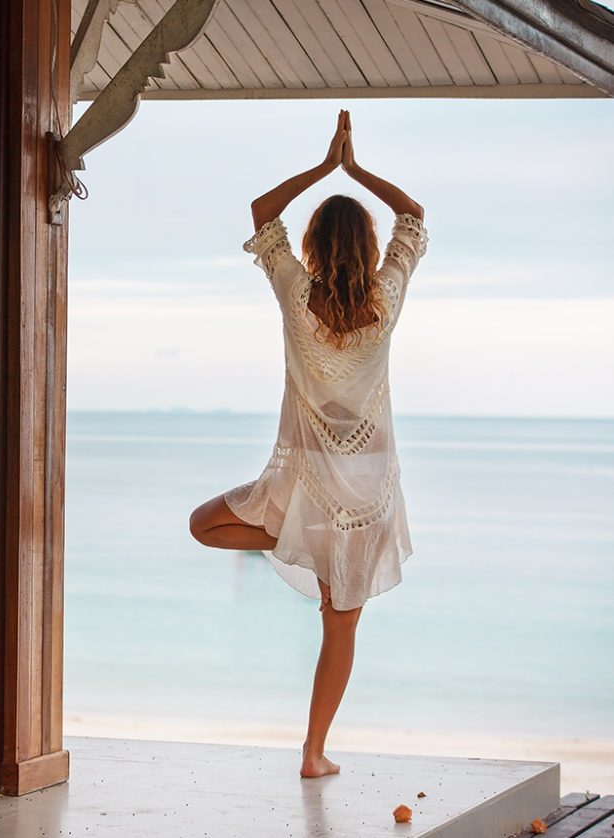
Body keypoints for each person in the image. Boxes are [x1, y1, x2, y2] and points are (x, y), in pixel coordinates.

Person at [188, 110, 428, 778]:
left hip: (311, 482)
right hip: (370, 490)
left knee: (202, 526)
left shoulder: (297, 294)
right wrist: (358, 172)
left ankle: (316, 752)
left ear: (317, 248)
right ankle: (313, 751)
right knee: (340, 626)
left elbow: (263, 211)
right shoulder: (388, 296)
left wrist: (327, 168)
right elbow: (414, 217)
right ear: (370, 247)